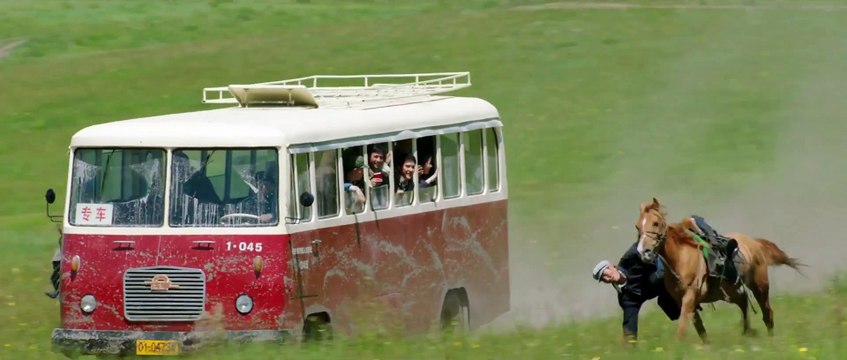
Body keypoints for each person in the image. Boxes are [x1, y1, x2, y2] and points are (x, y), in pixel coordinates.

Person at [592, 241, 680, 343]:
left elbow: (642, 244)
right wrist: (629, 342)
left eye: (606, 272)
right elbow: (629, 322)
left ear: (612, 266)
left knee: (658, 275)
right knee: (672, 311)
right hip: (662, 289)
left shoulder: (628, 260)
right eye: (603, 278)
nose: (607, 277)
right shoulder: (626, 298)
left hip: (662, 265)